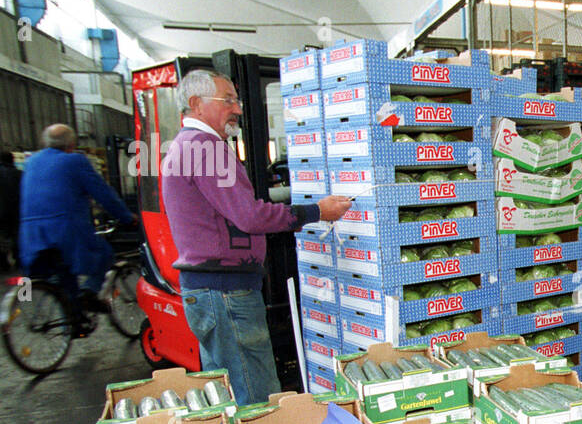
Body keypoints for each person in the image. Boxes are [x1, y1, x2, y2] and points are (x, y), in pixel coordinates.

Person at [162, 69, 351, 405]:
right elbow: (249, 217)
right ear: (196, 104)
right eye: (228, 100)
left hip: (208, 292)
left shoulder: (184, 146)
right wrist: (315, 212)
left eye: (237, 99)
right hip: (225, 294)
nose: (237, 108)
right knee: (256, 397)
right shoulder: (206, 149)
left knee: (228, 392)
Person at [19, 125, 136, 331]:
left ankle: (74, 322)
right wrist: (126, 217)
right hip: (64, 228)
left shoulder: (32, 162)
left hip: (32, 232)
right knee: (104, 253)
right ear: (71, 144)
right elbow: (103, 193)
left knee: (64, 272)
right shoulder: (74, 161)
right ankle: (89, 292)